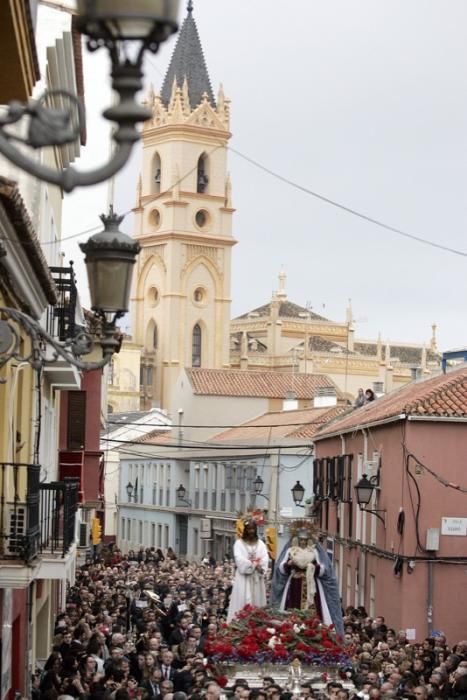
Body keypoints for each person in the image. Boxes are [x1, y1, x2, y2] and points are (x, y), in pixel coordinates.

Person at [272, 521, 344, 637]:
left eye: (305, 540)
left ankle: (313, 627)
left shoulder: (314, 552)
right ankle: (291, 627)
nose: (303, 542)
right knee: (292, 607)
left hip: (311, 584)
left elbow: (323, 569)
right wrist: (289, 564)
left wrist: (313, 567)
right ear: (297, 540)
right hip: (294, 583)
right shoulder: (291, 551)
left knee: (313, 608)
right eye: (301, 540)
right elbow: (281, 568)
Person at [226, 517, 269, 622]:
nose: (251, 531)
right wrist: (253, 564)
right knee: (242, 600)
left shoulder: (261, 544)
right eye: (249, 529)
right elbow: (239, 560)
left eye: (253, 529)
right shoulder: (239, 544)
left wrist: (260, 567)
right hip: (243, 578)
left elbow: (265, 558)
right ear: (245, 530)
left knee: (257, 602)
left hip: (256, 579)